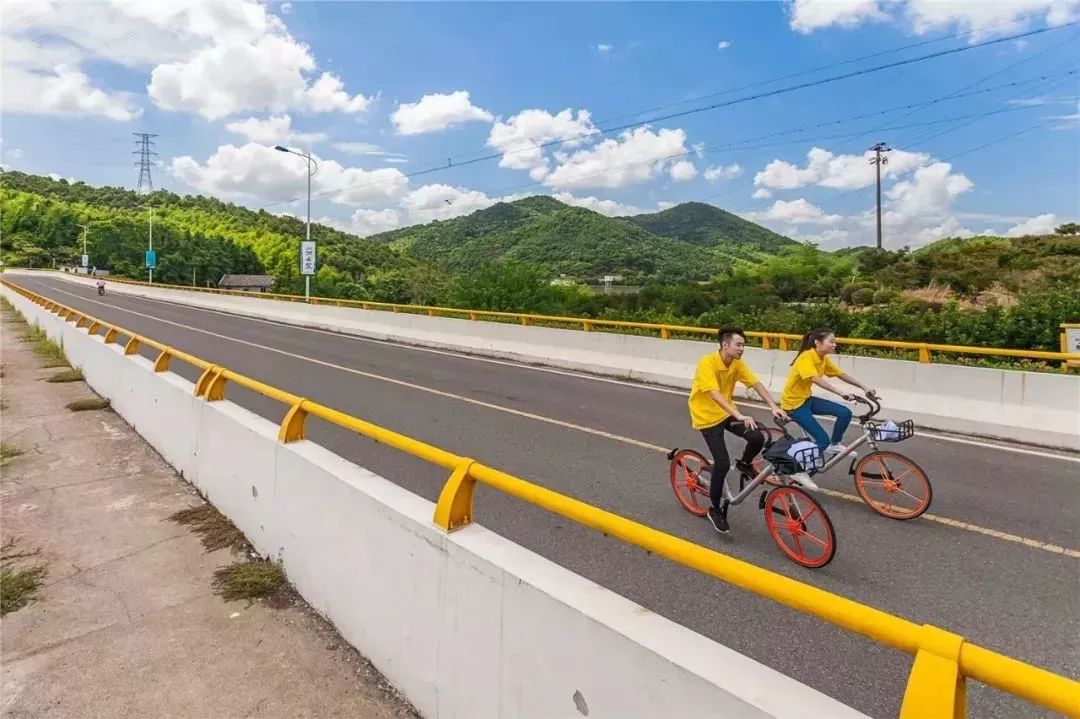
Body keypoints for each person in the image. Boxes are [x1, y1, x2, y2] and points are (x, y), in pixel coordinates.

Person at [688, 326, 788, 534]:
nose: (742, 349)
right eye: (738, 345)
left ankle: (744, 463)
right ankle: (714, 509)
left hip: (726, 412)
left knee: (757, 437)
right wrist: (739, 415)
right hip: (706, 416)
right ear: (725, 345)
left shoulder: (737, 363)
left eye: (743, 345)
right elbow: (714, 393)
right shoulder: (708, 362)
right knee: (722, 464)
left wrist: (773, 406)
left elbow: (756, 384)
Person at [780, 327, 876, 458]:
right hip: (794, 406)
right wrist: (841, 393)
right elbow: (816, 379)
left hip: (806, 400)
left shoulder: (822, 358)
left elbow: (840, 374)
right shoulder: (805, 358)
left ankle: (835, 444)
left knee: (845, 413)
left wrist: (864, 387)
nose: (834, 345)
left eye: (834, 342)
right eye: (831, 342)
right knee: (822, 441)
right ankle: (798, 465)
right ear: (817, 342)